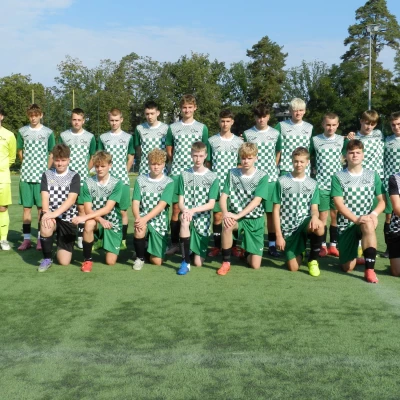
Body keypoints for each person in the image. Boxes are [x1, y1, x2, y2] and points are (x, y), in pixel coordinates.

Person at [331, 139, 385, 283]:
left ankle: (369, 270)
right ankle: (355, 255)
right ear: (345, 156)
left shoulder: (372, 175)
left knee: (368, 223)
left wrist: (373, 214)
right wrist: (356, 219)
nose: (355, 155)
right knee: (347, 267)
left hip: (365, 221)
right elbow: (339, 204)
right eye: (351, 153)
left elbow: (382, 201)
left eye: (358, 152)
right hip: (347, 225)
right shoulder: (338, 176)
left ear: (363, 155)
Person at [165, 94, 209, 255]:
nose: (187, 110)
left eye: (190, 107)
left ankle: (191, 243)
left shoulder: (202, 127)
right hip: (177, 173)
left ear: (195, 108)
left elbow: (205, 149)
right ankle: (175, 243)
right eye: (184, 107)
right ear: (180, 109)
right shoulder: (173, 127)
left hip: (196, 173)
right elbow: (169, 148)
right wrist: (176, 161)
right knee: (176, 209)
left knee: (193, 207)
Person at [217, 143, 269, 276]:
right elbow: (223, 197)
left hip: (255, 219)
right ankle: (226, 262)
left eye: (249, 158)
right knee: (227, 225)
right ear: (239, 158)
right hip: (237, 217)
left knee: (255, 265)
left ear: (256, 158)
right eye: (243, 158)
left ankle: (245, 253)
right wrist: (226, 213)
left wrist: (237, 215)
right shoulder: (232, 173)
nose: (246, 161)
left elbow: (256, 201)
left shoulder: (262, 176)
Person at [273, 147, 324, 277]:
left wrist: (315, 217)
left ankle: (313, 260)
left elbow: (314, 208)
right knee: (293, 268)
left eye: (302, 161)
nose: (298, 164)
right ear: (292, 161)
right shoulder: (281, 181)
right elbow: (276, 210)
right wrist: (279, 236)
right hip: (288, 229)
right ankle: (300, 251)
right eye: (296, 161)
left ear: (307, 162)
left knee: (319, 226)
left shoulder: (313, 183)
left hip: (304, 224)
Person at [72, 151, 123, 272]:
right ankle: (87, 260)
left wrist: (83, 217)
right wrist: (100, 219)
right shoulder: (88, 183)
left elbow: (108, 208)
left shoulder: (117, 183)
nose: (99, 169)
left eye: (103, 166)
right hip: (96, 218)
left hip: (112, 220)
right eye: (97, 166)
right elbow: (88, 209)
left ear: (110, 165)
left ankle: (103, 240)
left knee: (110, 262)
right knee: (89, 224)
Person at [345, 110, 384, 262]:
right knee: (358, 213)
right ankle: (356, 245)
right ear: (361, 121)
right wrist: (349, 137)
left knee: (374, 214)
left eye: (372, 124)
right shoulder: (354, 138)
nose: (369, 127)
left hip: (377, 179)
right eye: (366, 123)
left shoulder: (379, 135)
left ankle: (369, 248)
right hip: (359, 180)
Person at [243, 103, 281, 257]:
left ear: (268, 117)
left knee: (270, 214)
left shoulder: (276, 133)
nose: (261, 120)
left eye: (264, 117)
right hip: (252, 180)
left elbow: (278, 153)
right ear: (255, 117)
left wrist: (272, 168)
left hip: (271, 180)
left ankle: (271, 245)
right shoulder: (248, 134)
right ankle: (247, 244)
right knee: (250, 212)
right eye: (258, 117)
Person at [17, 104, 55, 251]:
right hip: (26, 176)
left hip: (41, 177)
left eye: (36, 115)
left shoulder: (48, 132)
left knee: (41, 209)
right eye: (31, 115)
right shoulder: (22, 131)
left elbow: (51, 153)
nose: (33, 118)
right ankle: (26, 240)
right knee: (26, 209)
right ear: (28, 116)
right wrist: (27, 164)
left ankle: (40, 239)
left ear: (41, 115)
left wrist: (46, 170)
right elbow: (20, 151)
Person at [177, 142, 219, 275]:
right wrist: (186, 211)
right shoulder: (184, 174)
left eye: (201, 156)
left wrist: (193, 210)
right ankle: (185, 261)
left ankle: (190, 249)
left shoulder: (212, 177)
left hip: (203, 219)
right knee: (184, 220)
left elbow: (211, 204)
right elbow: (180, 202)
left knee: (199, 263)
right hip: (187, 214)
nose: (198, 159)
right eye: (195, 155)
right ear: (191, 155)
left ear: (205, 156)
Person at [37, 144, 80, 272]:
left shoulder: (74, 176)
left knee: (64, 262)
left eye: (63, 160)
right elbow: (45, 196)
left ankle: (60, 246)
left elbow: (71, 200)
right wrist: (47, 213)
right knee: (46, 224)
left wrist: (54, 214)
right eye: (57, 160)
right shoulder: (47, 174)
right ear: (53, 159)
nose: (60, 163)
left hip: (68, 217)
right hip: (51, 214)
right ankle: (47, 258)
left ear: (68, 160)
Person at [207, 109, 242, 258]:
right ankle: (216, 246)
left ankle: (233, 246)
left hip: (233, 186)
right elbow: (208, 163)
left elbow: (240, 164)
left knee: (232, 217)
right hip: (217, 184)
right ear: (219, 122)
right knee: (217, 217)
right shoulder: (212, 140)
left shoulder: (239, 142)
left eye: (228, 121)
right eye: (222, 121)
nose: (225, 124)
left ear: (232, 122)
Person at [98, 108, 134, 250]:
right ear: (108, 120)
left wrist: (124, 172)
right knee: (104, 211)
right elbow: (99, 157)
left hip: (122, 180)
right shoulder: (103, 137)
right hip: (106, 181)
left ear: (121, 120)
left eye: (116, 120)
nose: (114, 123)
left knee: (122, 211)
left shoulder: (128, 137)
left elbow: (130, 158)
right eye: (112, 120)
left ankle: (123, 240)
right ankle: (101, 239)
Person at [59, 108, 96, 249]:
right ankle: (64, 235)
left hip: (82, 179)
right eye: (74, 119)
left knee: (81, 208)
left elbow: (93, 156)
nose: (76, 122)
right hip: (66, 178)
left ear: (83, 121)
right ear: (71, 120)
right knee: (64, 207)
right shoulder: (63, 135)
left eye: (79, 120)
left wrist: (85, 170)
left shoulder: (90, 136)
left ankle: (80, 237)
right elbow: (60, 155)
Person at [131, 148, 174, 270]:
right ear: (148, 164)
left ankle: (146, 248)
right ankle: (140, 258)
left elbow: (161, 205)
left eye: (159, 164)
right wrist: (138, 218)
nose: (156, 167)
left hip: (159, 221)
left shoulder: (169, 182)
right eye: (153, 164)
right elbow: (135, 202)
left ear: (164, 164)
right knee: (139, 227)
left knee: (157, 261)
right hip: (143, 216)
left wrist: (144, 219)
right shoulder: (140, 179)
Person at [309, 112, 344, 257]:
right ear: (323, 124)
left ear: (338, 125)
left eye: (334, 125)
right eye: (328, 124)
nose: (331, 128)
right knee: (322, 216)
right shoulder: (315, 140)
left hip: (337, 185)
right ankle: (322, 245)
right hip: (321, 185)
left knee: (335, 216)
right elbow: (308, 157)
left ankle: (333, 245)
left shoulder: (342, 140)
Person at [275, 98, 314, 176]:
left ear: (304, 111)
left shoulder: (310, 127)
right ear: (290, 111)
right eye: (295, 110)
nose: (298, 113)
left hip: (304, 169)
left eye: (301, 110)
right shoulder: (281, 125)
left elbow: (312, 148)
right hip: (286, 167)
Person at [133, 100, 169, 175]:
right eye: (147, 114)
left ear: (158, 113)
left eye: (152, 113)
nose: (149, 117)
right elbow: (138, 149)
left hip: (161, 169)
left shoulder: (166, 128)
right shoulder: (139, 128)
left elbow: (169, 149)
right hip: (144, 169)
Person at [382, 112, 400, 257]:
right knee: (389, 216)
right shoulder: (386, 140)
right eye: (393, 125)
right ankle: (389, 248)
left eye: (399, 124)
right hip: (390, 184)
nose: (396, 127)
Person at [0, 104, 16, 250]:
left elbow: (12, 157)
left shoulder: (9, 135)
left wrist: (2, 167)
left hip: (2, 178)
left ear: (1, 116)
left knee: (2, 208)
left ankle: (3, 239)